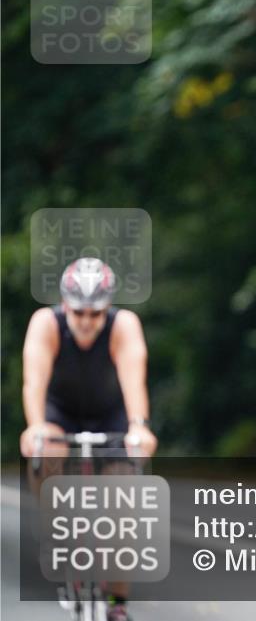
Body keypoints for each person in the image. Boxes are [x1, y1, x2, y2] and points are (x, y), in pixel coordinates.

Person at [19, 257, 157, 621]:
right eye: (78, 312)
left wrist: (139, 427)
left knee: (124, 504)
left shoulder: (124, 325)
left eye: (95, 314)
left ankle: (117, 604)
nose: (85, 322)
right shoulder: (45, 324)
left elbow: (134, 380)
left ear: (108, 307)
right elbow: (34, 381)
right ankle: (57, 530)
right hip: (59, 414)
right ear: (65, 305)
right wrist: (35, 425)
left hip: (111, 414)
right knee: (45, 450)